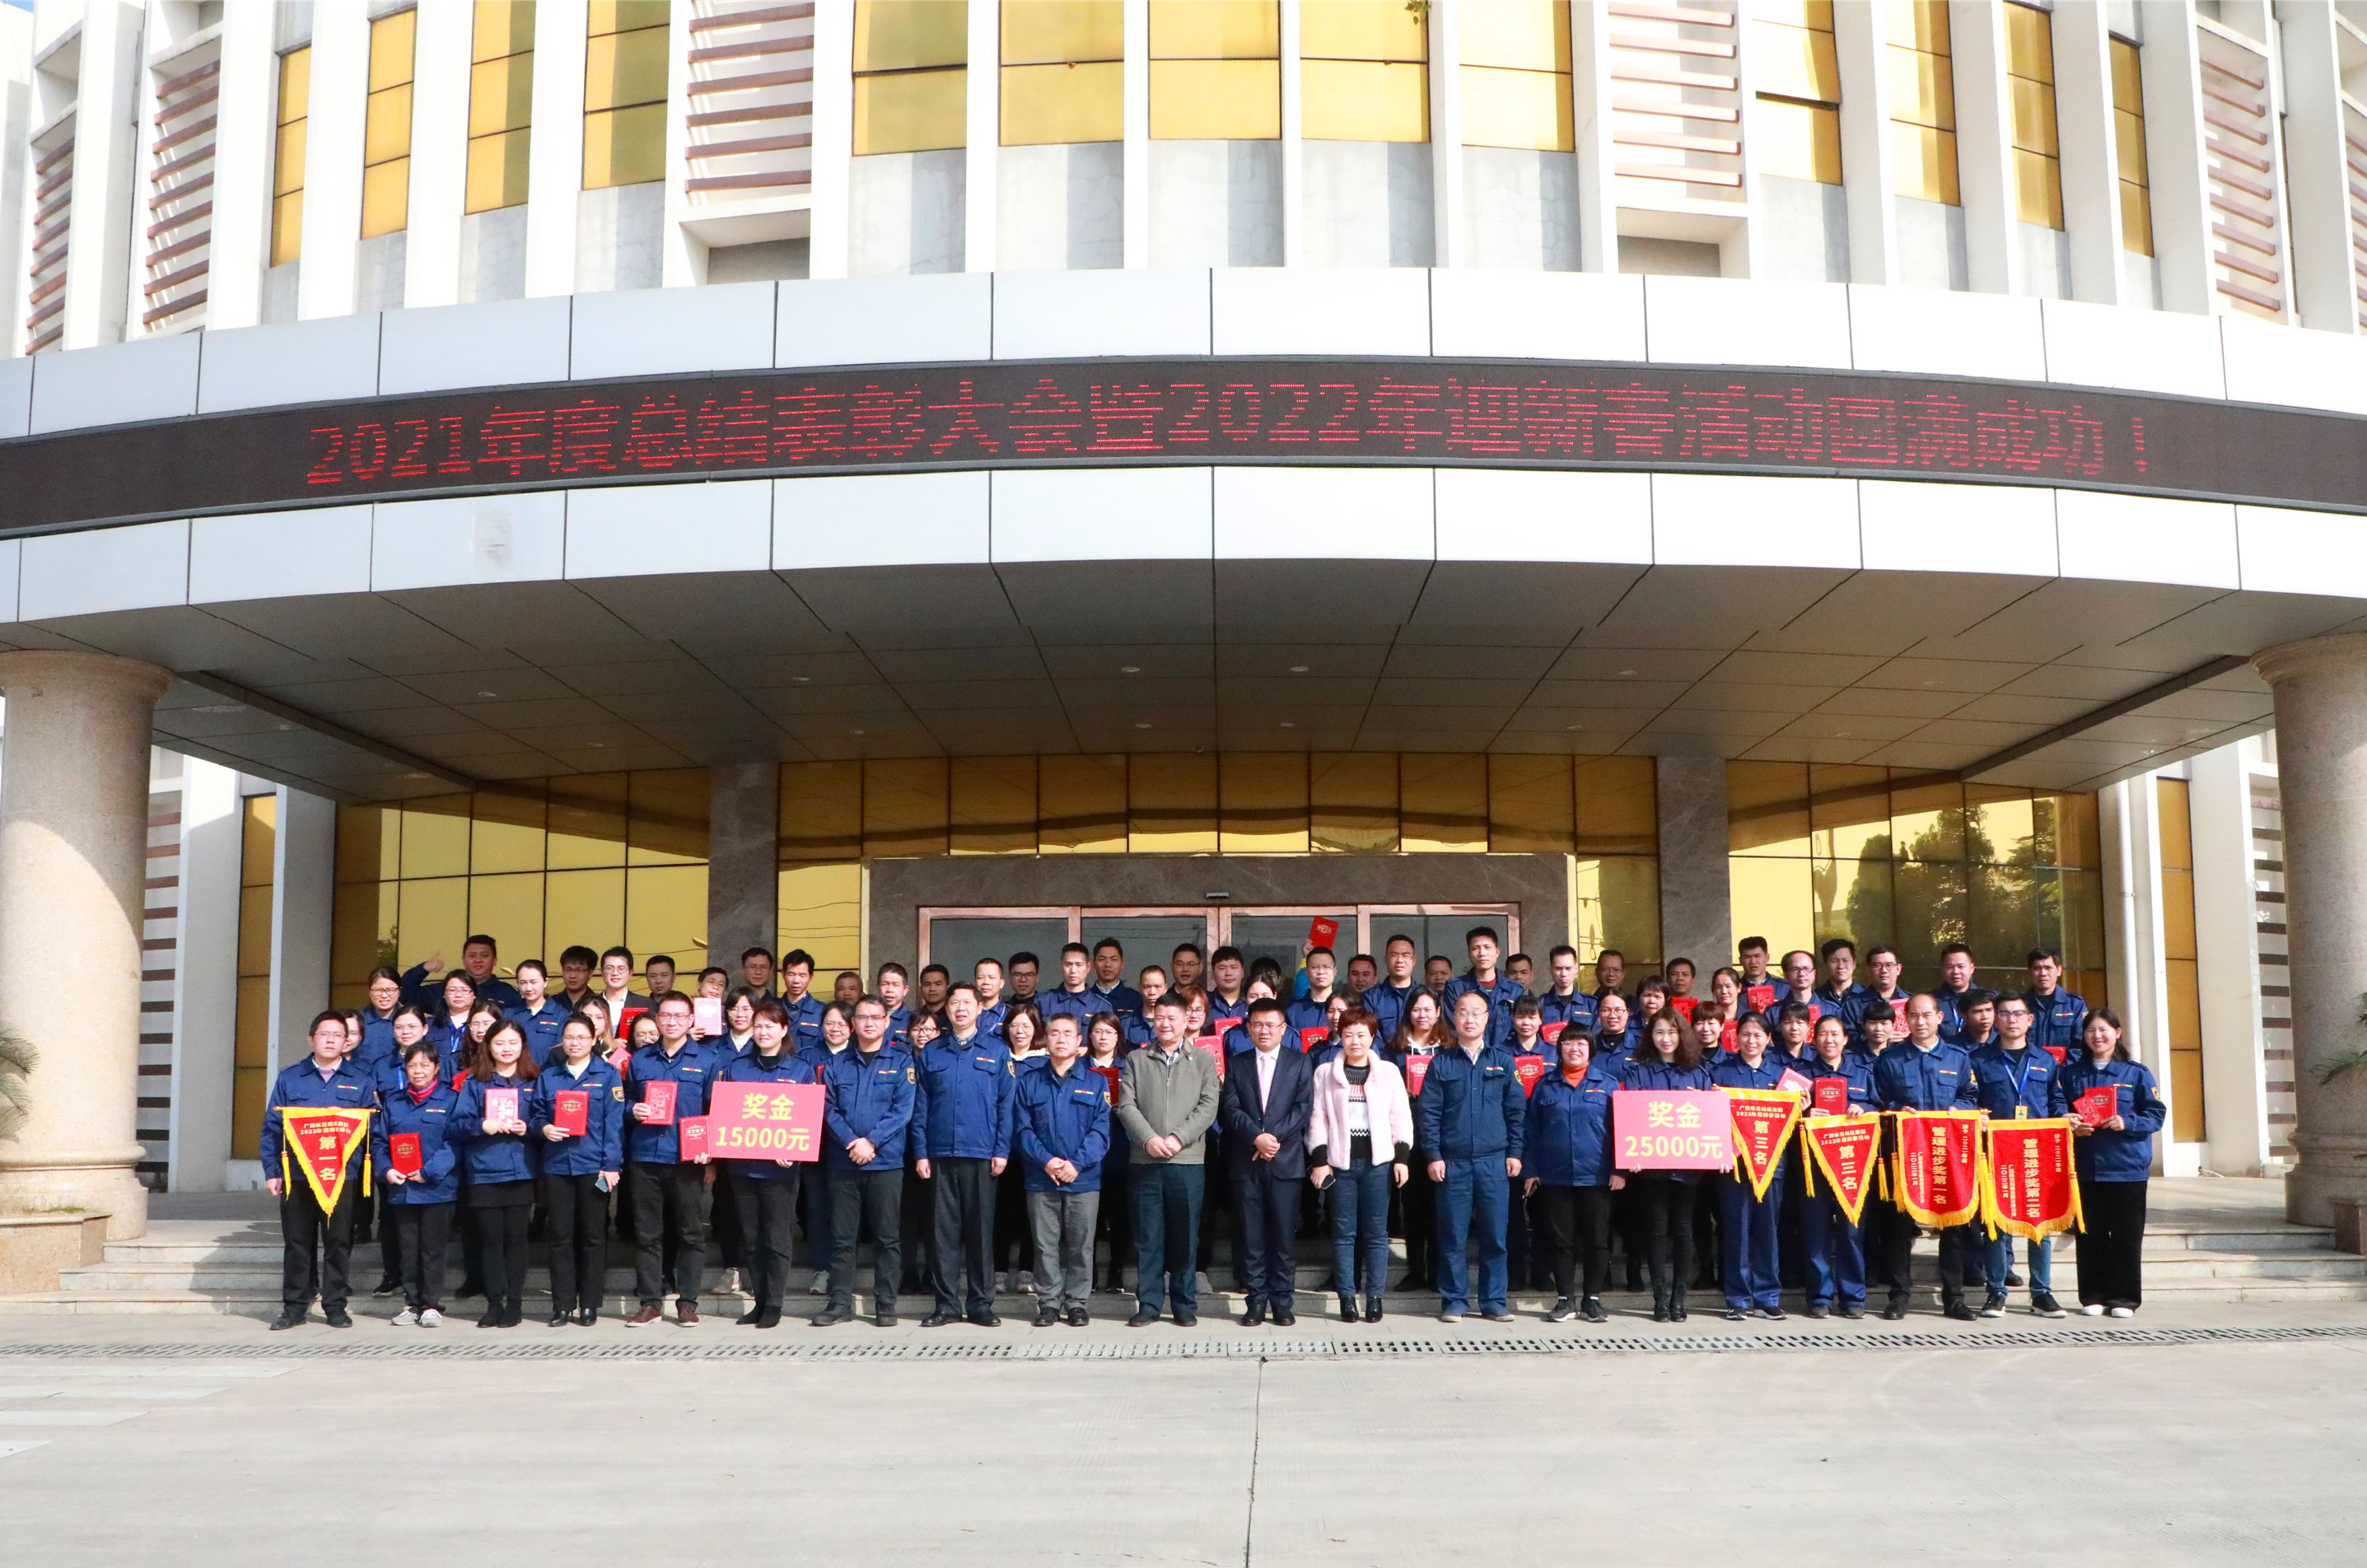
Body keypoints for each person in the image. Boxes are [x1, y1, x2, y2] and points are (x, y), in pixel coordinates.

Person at [261, 1011, 383, 1331]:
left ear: (347, 1041)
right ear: (311, 1039)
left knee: (338, 1242)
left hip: (342, 1174)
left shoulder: (361, 1079)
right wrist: (272, 1171)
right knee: (297, 1243)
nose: (331, 1040)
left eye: (338, 1035)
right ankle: (295, 1307)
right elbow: (273, 1127)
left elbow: (376, 1126)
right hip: (298, 1175)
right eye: (324, 1034)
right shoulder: (290, 1078)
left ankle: (335, 1305)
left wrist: (345, 1118)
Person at [1417, 991, 1527, 1323]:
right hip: (1453, 1163)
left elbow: (1516, 1111)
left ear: (1487, 1018)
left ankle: (1493, 1301)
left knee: (1495, 1236)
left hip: (1494, 1162)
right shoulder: (1441, 1063)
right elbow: (1428, 1114)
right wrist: (1433, 1155)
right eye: (1463, 1012)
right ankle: (1454, 1300)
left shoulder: (1503, 1062)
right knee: (1453, 1236)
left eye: (1476, 1013)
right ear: (1454, 1018)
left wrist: (1515, 1152)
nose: (1469, 1019)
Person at [1117, 992, 1222, 1328]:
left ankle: (1184, 1304)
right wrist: (1149, 1139)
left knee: (1185, 1237)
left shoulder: (1203, 1060)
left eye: (1172, 1018)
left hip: (1186, 1161)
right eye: (1159, 1017)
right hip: (1145, 1160)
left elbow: (1208, 1105)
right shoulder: (1136, 1059)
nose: (1165, 1024)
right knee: (1147, 1237)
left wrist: (1178, 1138)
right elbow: (1126, 1105)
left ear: (1186, 1020)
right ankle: (1148, 1304)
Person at [1872, 992, 1979, 1320]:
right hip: (1906, 1156)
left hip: (1947, 1155)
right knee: (1899, 1228)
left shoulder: (1957, 1058)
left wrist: (1958, 1108)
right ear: (1905, 1020)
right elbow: (1878, 1101)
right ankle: (1899, 1296)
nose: (1920, 1022)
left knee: (1953, 1227)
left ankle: (1954, 1298)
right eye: (1914, 1016)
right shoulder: (1890, 1059)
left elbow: (1970, 1095)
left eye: (1926, 1015)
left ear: (1939, 1018)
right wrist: (1895, 1109)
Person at [914, 984, 1016, 1330]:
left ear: (979, 1008)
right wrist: (921, 1152)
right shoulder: (932, 1052)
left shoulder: (997, 1050)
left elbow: (1006, 1105)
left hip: (982, 1153)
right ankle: (946, 1305)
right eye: (954, 1002)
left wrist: (1001, 1149)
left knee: (980, 1234)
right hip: (940, 1154)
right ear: (947, 1010)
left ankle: (980, 1304)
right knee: (942, 1235)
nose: (960, 1008)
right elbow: (921, 1106)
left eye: (967, 1002)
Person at [2053, 1010, 2165, 1318]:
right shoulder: (2071, 1074)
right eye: (2091, 1031)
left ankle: (2125, 1298)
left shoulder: (2136, 1074)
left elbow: (2156, 1115)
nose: (2097, 1036)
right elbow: (2058, 1106)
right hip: (2088, 1167)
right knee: (2090, 1235)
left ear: (2117, 1032)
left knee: (2127, 1237)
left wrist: (2126, 1122)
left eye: (2103, 1030)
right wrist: (2069, 1121)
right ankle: (2093, 1295)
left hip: (2127, 1168)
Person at [714, 998, 817, 1329]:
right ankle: (759, 1301)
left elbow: (808, 1120)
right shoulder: (737, 1068)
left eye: (769, 1026)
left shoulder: (800, 1070)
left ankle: (775, 1303)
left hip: (780, 1171)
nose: (762, 1032)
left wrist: (795, 1150)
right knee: (752, 1238)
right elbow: (725, 1113)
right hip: (743, 1167)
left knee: (777, 1238)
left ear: (784, 1029)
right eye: (757, 1026)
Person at [815, 994, 915, 1328]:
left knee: (887, 1238)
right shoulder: (837, 1063)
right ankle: (839, 1303)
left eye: (876, 1017)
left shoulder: (901, 1061)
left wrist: (871, 1142)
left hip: (885, 1164)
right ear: (853, 1023)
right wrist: (851, 1142)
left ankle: (885, 1304)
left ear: (887, 1022)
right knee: (842, 1238)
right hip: (843, 1163)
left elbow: (902, 1110)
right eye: (862, 1017)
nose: (869, 1023)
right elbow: (828, 1108)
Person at [1306, 1006, 1411, 1323]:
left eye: (1361, 1035)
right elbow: (1317, 1119)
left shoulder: (1388, 1072)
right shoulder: (1325, 1073)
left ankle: (1375, 1297)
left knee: (1377, 1234)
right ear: (1340, 1036)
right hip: (1340, 1164)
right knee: (1343, 1233)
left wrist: (1402, 1158)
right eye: (1348, 1034)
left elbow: (1400, 1117)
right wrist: (1320, 1161)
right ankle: (1347, 1297)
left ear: (1372, 1037)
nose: (1355, 1041)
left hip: (1378, 1164)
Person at [1967, 993, 2068, 1318]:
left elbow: (2056, 1101)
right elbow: (1968, 1098)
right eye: (2005, 1013)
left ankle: (2041, 1293)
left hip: (2036, 1152)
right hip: (1996, 1153)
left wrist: (2065, 1117)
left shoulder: (2045, 1060)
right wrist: (1975, 1116)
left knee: (2040, 1224)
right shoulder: (1978, 1059)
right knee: (1996, 1225)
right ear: (1996, 1019)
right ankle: (1996, 1291)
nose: (2012, 1019)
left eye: (2018, 1013)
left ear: (2029, 1019)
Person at [623, 992, 719, 1328]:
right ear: (657, 1020)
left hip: (688, 1160)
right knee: (647, 1234)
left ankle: (688, 1302)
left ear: (691, 1020)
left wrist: (711, 1157)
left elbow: (714, 1110)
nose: (672, 1022)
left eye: (680, 1016)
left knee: (691, 1234)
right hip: (646, 1157)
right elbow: (625, 1100)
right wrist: (633, 1110)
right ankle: (650, 1302)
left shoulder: (707, 1059)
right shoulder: (641, 1059)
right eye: (666, 1016)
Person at [1220, 999, 1315, 1327]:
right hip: (1246, 1162)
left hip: (1285, 1162)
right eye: (1257, 1025)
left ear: (1283, 1029)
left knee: (1283, 1238)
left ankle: (1283, 1302)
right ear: (1248, 1028)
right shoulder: (1238, 1063)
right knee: (1252, 1238)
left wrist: (1272, 1140)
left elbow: (1303, 1107)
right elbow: (1230, 1108)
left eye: (1271, 1025)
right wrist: (1256, 1138)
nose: (1264, 1031)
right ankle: (1256, 1302)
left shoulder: (1300, 1062)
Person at [1015, 1014, 1111, 1328]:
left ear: (1079, 1041)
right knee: (1045, 1246)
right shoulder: (1029, 1082)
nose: (1060, 1039)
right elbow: (1022, 1130)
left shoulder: (1096, 1082)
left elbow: (1101, 1132)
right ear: (1046, 1040)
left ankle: (1077, 1303)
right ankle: (1048, 1303)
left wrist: (1075, 1164)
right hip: (1041, 1177)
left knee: (1081, 1246)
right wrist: (1046, 1161)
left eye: (1068, 1034)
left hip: (1083, 1179)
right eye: (1054, 1033)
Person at [529, 1010, 624, 1327]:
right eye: (569, 1037)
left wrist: (611, 1165)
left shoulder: (607, 1075)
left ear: (594, 1040)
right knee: (560, 1236)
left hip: (594, 1166)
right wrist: (544, 1129)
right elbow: (536, 1115)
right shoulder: (549, 1076)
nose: (575, 1043)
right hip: (557, 1165)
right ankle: (562, 1305)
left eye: (582, 1037)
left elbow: (614, 1124)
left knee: (593, 1236)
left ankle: (589, 1304)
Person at [1523, 1028, 1622, 1323]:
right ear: (1560, 1048)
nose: (1574, 1049)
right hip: (1555, 1176)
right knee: (1561, 1242)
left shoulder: (1608, 1084)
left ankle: (1592, 1299)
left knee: (1597, 1241)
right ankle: (1565, 1299)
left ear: (1591, 1049)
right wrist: (1531, 1170)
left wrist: (1619, 1169)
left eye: (1581, 1043)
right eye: (1568, 1043)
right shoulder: (1545, 1085)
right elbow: (1531, 1130)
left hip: (1597, 1176)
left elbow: (1621, 1130)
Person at [446, 1020, 539, 1328]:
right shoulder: (475, 1082)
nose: (506, 1049)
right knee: (490, 1241)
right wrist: (481, 1125)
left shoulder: (534, 1081)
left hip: (521, 1170)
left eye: (513, 1042)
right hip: (485, 1171)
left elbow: (546, 1119)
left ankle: (514, 1303)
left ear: (522, 1046)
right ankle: (494, 1302)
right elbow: (456, 1125)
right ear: (488, 1046)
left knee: (516, 1241)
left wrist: (530, 1128)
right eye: (499, 1043)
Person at [1622, 1010, 1711, 1322]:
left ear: (1682, 1035)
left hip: (1688, 1167)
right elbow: (1631, 1117)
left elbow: (1709, 1120)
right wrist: (1630, 1154)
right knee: (1657, 1229)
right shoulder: (1638, 1072)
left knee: (1684, 1229)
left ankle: (1679, 1297)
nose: (1666, 1038)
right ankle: (1659, 1297)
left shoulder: (1698, 1073)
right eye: (1659, 1032)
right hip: (1652, 1167)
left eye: (1672, 1032)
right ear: (1650, 1036)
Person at [1709, 1014, 1792, 1322]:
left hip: (1771, 1166)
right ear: (1736, 1038)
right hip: (1735, 1166)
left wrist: (1801, 1103)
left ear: (1769, 1039)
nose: (1751, 1040)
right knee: (1737, 1231)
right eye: (1745, 1034)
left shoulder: (1782, 1076)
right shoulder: (1721, 1073)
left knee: (1768, 1232)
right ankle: (1737, 1299)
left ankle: (1767, 1298)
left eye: (1758, 1035)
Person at [1796, 1013, 1879, 1319]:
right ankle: (1819, 1297)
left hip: (1852, 1165)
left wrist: (1864, 1108)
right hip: (1814, 1166)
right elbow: (1782, 1115)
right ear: (1813, 1039)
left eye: (1835, 1034)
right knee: (1815, 1233)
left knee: (1852, 1232)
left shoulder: (1863, 1071)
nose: (1829, 1040)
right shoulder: (1801, 1075)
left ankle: (1853, 1296)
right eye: (1823, 1034)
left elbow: (1880, 1106)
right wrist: (1804, 1113)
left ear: (1845, 1039)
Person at [376, 1037, 460, 1327]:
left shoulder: (450, 1100)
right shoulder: (394, 1102)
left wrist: (429, 1171)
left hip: (437, 1188)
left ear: (436, 1067)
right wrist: (387, 1170)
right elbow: (379, 1142)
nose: (418, 1071)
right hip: (403, 1188)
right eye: (412, 1065)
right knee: (408, 1249)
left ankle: (431, 1305)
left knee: (433, 1249)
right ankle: (412, 1304)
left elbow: (455, 1143)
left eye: (425, 1065)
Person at [1387, 987, 1450, 1292]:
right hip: (1407, 1136)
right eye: (1416, 1009)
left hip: (1442, 1135)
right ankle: (1415, 1271)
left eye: (1428, 1009)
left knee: (1440, 1209)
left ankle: (1437, 1272)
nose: (1422, 1015)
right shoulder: (1395, 1049)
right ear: (1408, 1013)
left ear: (1438, 1012)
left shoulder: (1448, 1048)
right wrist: (1402, 1090)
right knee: (1412, 1209)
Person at [1084, 1012, 1133, 1293]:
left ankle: (1116, 1270)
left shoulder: (1130, 1066)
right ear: (1090, 1035)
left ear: (1118, 1037)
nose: (1103, 1037)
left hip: (1119, 1145)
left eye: (1109, 1032)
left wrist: (1123, 1107)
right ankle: (1088, 1273)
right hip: (1086, 1150)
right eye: (1098, 1031)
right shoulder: (1079, 1066)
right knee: (1089, 1217)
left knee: (1119, 1214)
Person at [1442, 924, 1523, 1050]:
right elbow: (1453, 1027)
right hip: (1467, 1055)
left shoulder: (1515, 990)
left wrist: (1499, 1056)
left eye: (1487, 947)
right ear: (1469, 953)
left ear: (1497, 952)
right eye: (1476, 948)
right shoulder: (1455, 988)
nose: (1482, 953)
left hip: (1505, 1057)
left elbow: (1518, 1028)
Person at [2023, 947, 2089, 1055]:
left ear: (2059, 970)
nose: (2043, 973)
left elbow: (2082, 1044)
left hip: (2066, 1065)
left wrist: (2065, 1065)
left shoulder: (2075, 1005)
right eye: (2037, 968)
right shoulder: (2020, 1005)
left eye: (2048, 968)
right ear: (2030, 971)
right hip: (2029, 1065)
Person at [1361, 934, 1422, 1043]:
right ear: (1386, 960)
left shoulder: (1425, 995)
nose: (1400, 960)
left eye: (1405, 955)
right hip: (1382, 1054)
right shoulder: (1372, 997)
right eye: (1394, 955)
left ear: (1414, 961)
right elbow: (1369, 1034)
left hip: (1420, 1053)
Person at [507, 959, 568, 1063]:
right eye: (523, 983)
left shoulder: (562, 1015)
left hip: (549, 1072)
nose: (528, 988)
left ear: (545, 982)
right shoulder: (508, 1014)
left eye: (533, 982)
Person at [1538, 945, 1599, 1038]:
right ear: (1551, 970)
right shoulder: (1540, 1004)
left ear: (1576, 969)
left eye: (1568, 968)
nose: (1563, 974)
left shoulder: (1591, 1005)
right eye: (1558, 969)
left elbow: (1596, 1038)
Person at [1039, 942, 1101, 1030]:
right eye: (1068, 964)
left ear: (1088, 967)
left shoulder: (1100, 1005)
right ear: (1061, 966)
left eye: (1079, 965)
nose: (1073, 970)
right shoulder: (1043, 1001)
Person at [598, 946, 652, 1038]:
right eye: (609, 968)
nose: (615, 973)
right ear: (602, 972)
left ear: (631, 972)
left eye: (621, 968)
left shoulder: (646, 1005)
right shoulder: (589, 1004)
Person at [779, 949, 827, 1050]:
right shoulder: (771, 1008)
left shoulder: (822, 1011)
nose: (796, 980)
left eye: (802, 975)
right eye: (791, 974)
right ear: (783, 975)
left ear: (811, 976)